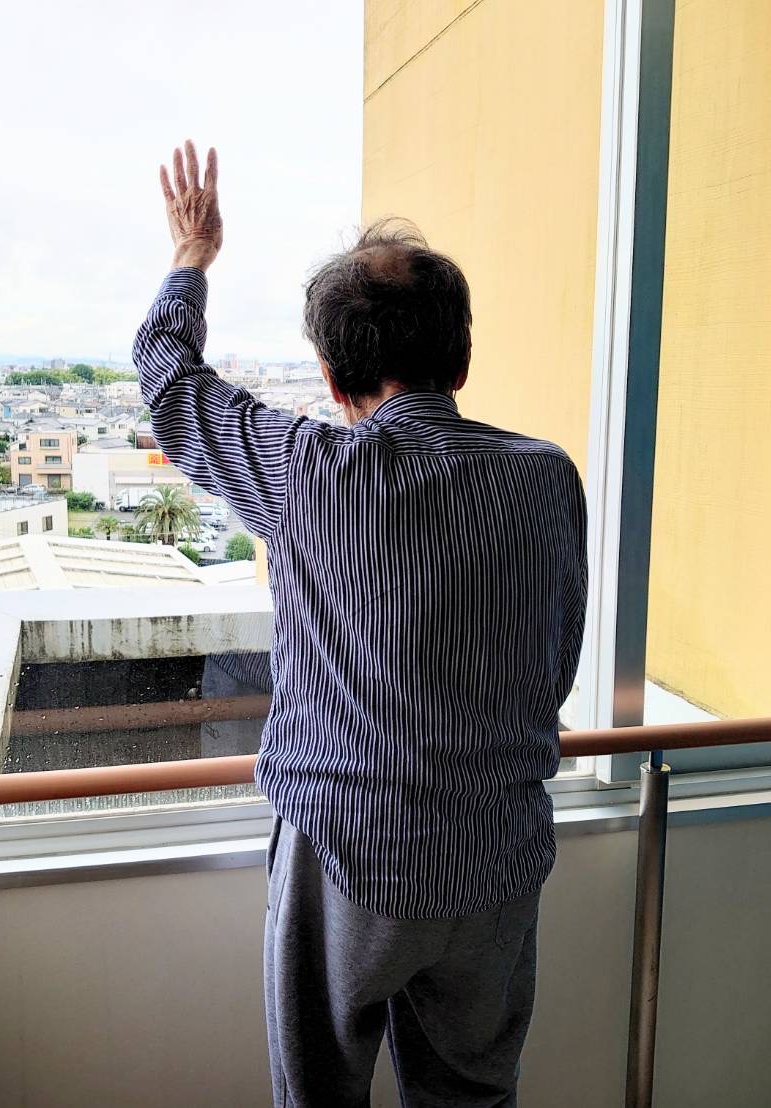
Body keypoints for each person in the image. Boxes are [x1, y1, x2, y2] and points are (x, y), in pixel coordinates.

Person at [134, 140, 588, 1107]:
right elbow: (556, 658)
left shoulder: (308, 472)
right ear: (460, 358)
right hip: (497, 850)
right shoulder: (546, 477)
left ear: (333, 378)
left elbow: (169, 385)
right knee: (473, 1097)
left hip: (345, 853)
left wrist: (191, 256)